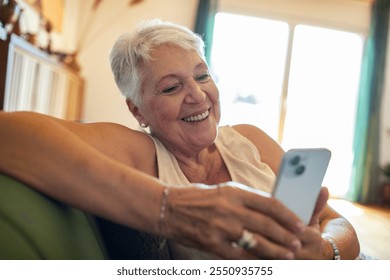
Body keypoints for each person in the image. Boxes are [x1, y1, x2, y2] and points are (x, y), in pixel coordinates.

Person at [0, 19, 360, 260]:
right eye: (172, 87)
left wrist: (327, 252)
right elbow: (8, 133)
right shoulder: (139, 150)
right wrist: (169, 208)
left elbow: (337, 222)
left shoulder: (249, 139)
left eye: (202, 76)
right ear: (138, 110)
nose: (198, 96)